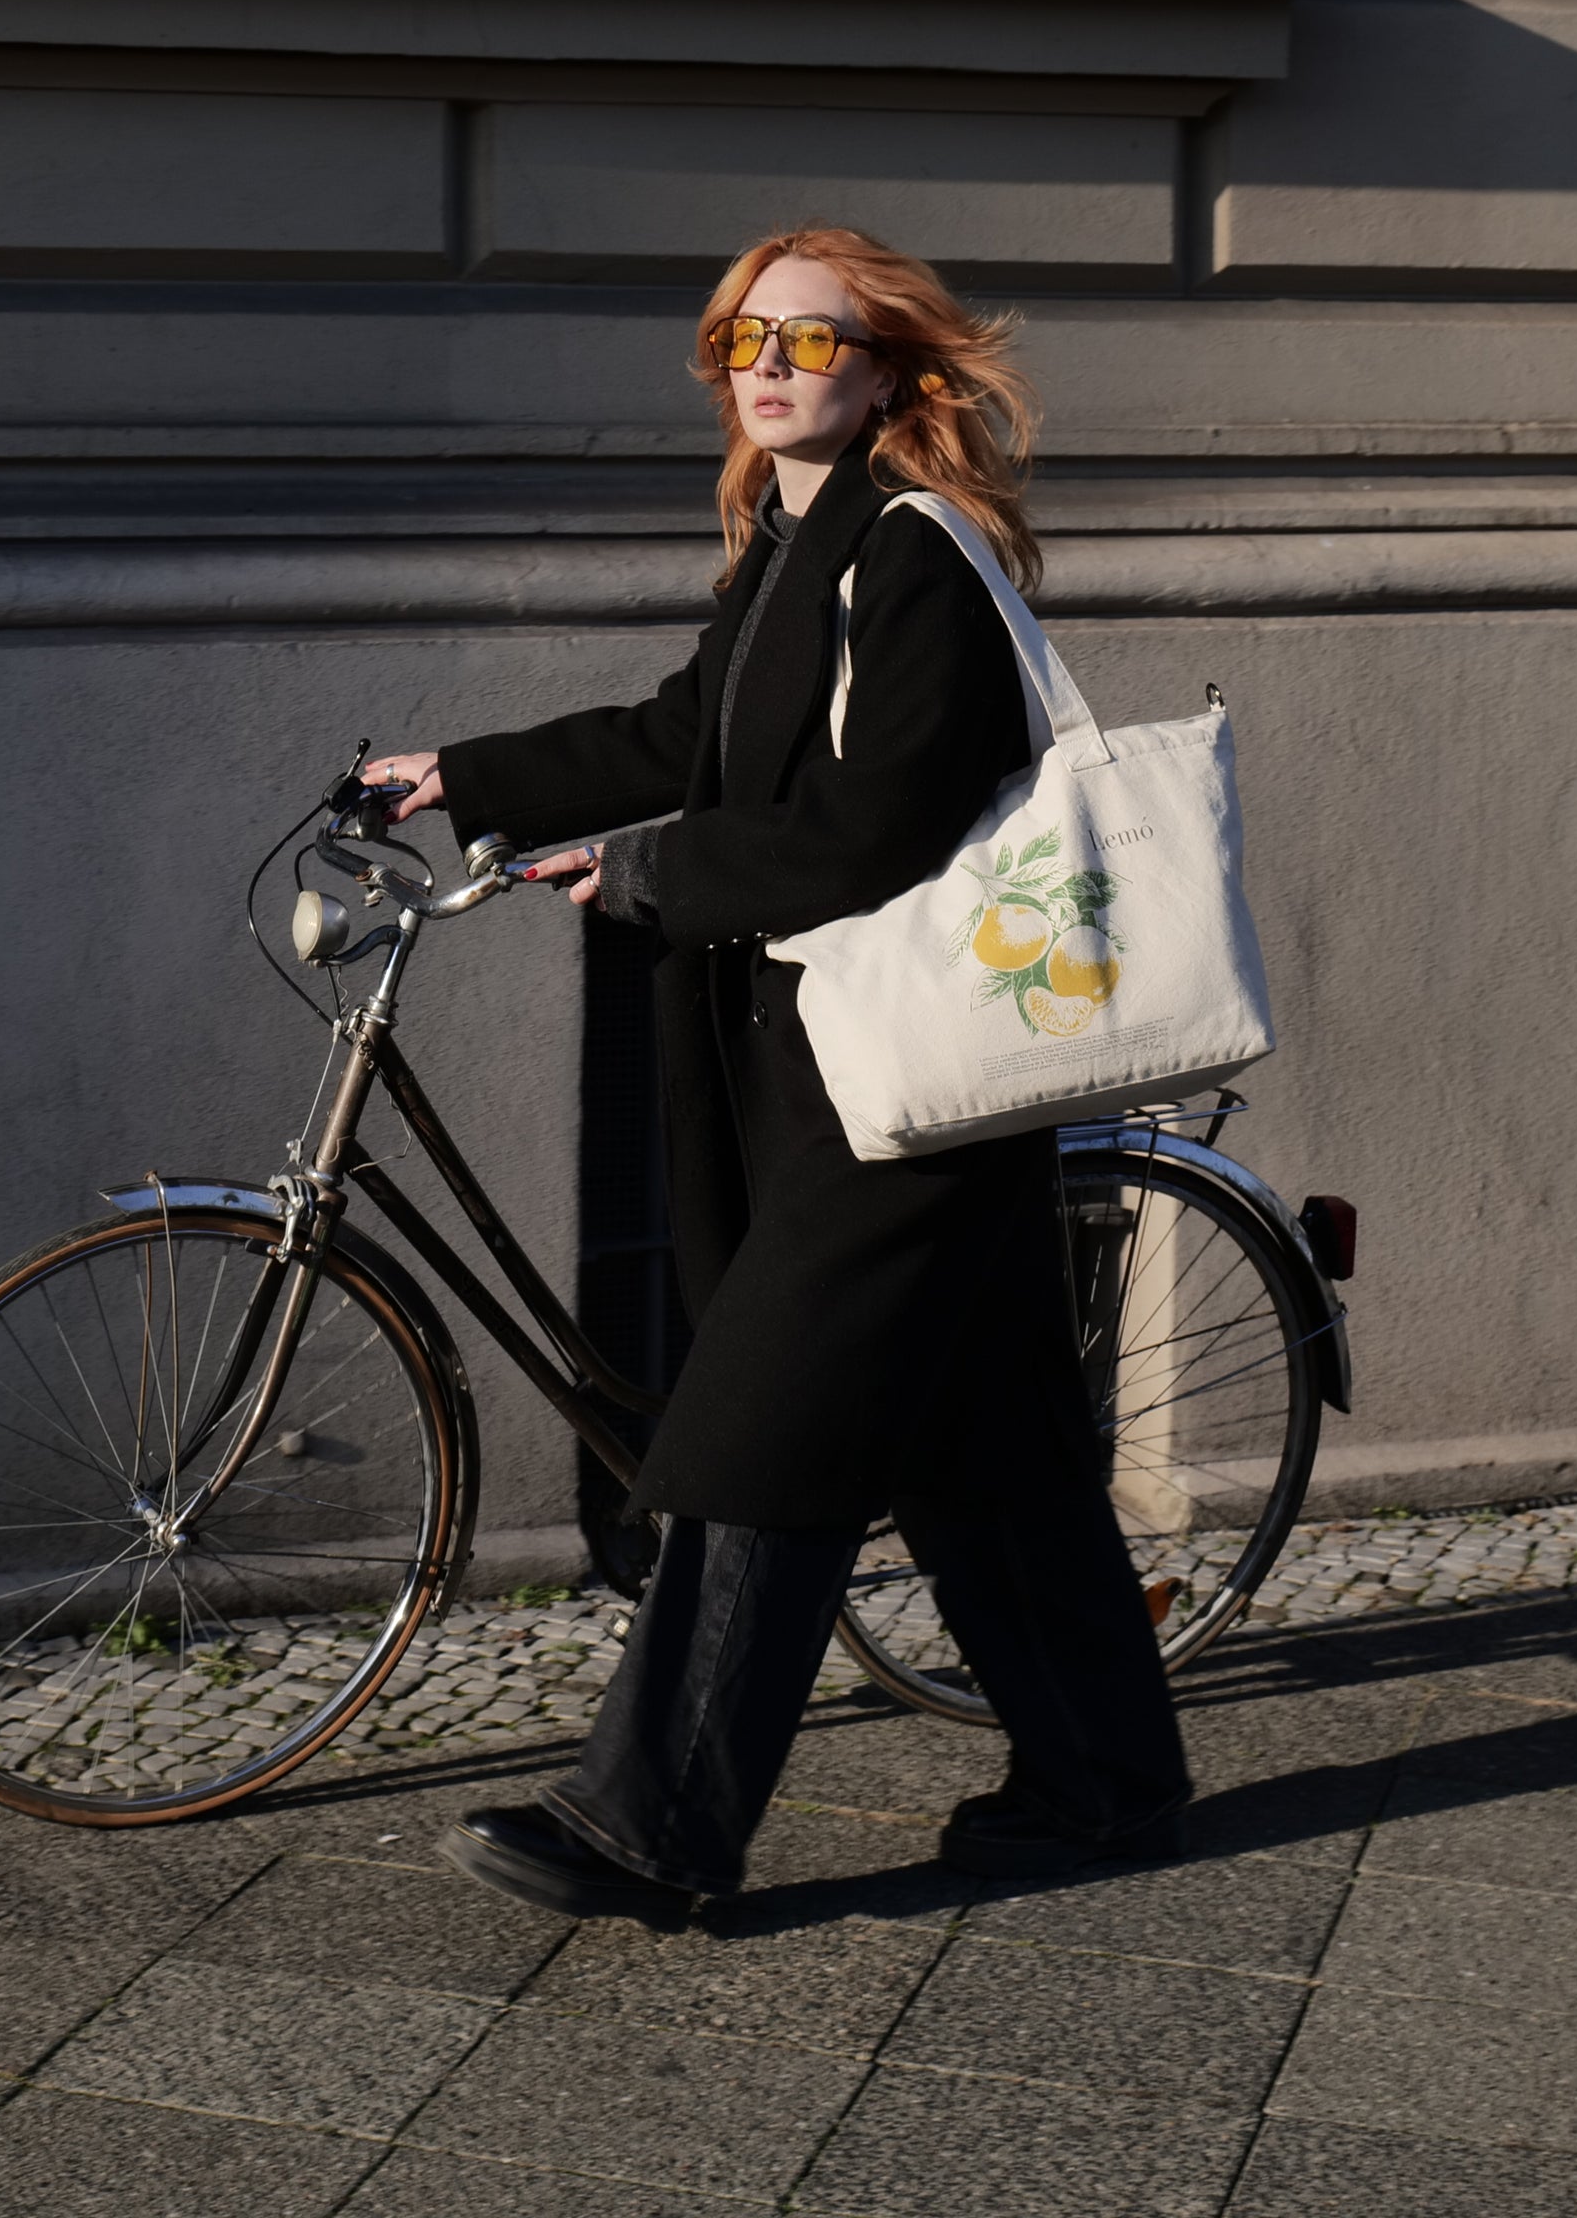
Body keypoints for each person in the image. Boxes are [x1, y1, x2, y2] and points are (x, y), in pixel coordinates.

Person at [362, 225, 1193, 1918]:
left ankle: (651, 1824)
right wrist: (468, 770)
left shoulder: (918, 556)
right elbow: (690, 734)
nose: (763, 364)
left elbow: (874, 823)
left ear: (893, 371)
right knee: (996, 1461)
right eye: (742, 336)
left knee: (767, 1431)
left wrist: (660, 875)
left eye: (808, 343)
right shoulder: (794, 544)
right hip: (834, 1077)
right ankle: (1107, 1781)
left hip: (905, 1100)